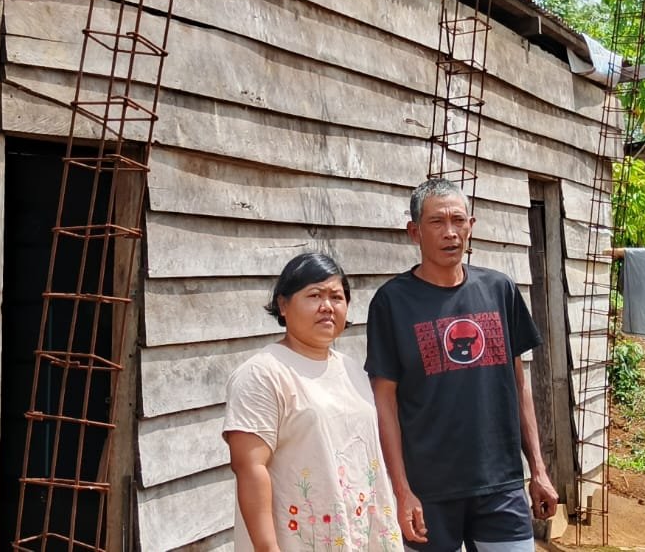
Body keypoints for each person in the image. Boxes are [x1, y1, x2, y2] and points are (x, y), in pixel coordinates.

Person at [365, 178, 560, 552]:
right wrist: (402, 490)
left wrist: (537, 470)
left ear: (472, 225)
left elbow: (518, 385)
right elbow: (384, 402)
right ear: (414, 232)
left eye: (459, 221)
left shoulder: (499, 290)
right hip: (429, 491)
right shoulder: (392, 303)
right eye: (437, 222)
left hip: (500, 484)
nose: (450, 232)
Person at [223, 253, 403, 552]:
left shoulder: (352, 370)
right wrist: (268, 548)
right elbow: (250, 468)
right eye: (314, 295)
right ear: (283, 305)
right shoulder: (263, 373)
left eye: (337, 296)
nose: (327, 307)